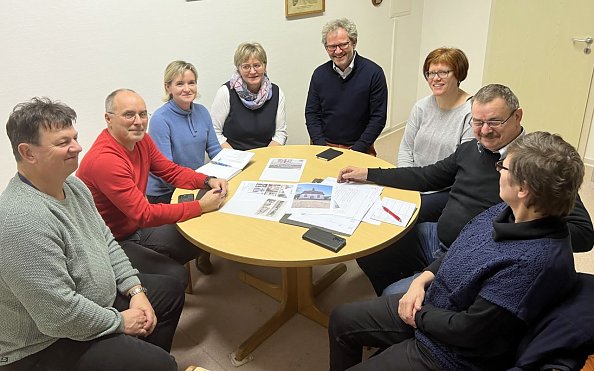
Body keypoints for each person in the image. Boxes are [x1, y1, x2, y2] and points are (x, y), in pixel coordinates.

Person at [329, 131, 583, 370]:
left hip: (451, 352)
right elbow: (460, 249)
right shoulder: (505, 211)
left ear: (523, 189)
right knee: (341, 318)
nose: (498, 171)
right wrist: (421, 281)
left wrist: (418, 317)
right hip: (434, 304)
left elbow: (470, 330)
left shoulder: (533, 263)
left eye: (503, 167)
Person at [338, 84, 594, 295]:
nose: (484, 131)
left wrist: (516, 225)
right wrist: (369, 174)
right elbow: (426, 176)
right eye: (477, 121)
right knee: (370, 251)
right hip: (438, 236)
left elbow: (583, 234)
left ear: (517, 116)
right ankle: (403, 312)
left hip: (473, 256)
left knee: (395, 293)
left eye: (494, 121)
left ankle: (407, 305)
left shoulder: (537, 159)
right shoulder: (472, 149)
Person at [0, 98, 185, 370]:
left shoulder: (74, 187)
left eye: (74, 138)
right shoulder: (21, 218)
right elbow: (58, 316)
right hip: (46, 342)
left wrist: (135, 289)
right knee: (163, 365)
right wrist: (121, 322)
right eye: (64, 143)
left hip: (93, 303)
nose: (78, 147)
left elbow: (107, 240)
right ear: (28, 153)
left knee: (169, 292)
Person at [77, 89, 228, 288]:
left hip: (134, 227)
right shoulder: (106, 160)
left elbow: (170, 171)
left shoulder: (141, 140)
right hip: (111, 242)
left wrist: (207, 180)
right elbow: (144, 214)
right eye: (129, 115)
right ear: (108, 119)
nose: (139, 121)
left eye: (143, 114)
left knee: (200, 238)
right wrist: (200, 206)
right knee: (175, 277)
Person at [146, 61, 222, 274]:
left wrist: (233, 167)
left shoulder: (202, 112)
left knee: (224, 197)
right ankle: (195, 252)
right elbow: (166, 169)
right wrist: (199, 187)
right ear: (167, 87)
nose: (187, 88)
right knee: (205, 208)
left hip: (195, 181)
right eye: (180, 83)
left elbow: (215, 149)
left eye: (192, 82)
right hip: (165, 190)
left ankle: (203, 252)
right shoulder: (161, 119)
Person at [398, 47, 474, 222]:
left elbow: (461, 166)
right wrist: (406, 180)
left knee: (407, 215)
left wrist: (419, 186)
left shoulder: (471, 112)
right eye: (431, 73)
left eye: (443, 72)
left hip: (445, 189)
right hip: (415, 180)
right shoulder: (421, 107)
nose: (435, 78)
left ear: (458, 74)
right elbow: (406, 148)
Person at [305, 18, 388, 156]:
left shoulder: (374, 73)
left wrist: (356, 151)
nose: (337, 51)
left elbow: (378, 118)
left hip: (360, 147)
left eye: (343, 45)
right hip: (324, 145)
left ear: (354, 43)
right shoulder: (319, 74)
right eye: (332, 46)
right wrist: (322, 147)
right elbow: (312, 114)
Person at [210, 42, 287, 150]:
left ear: (265, 66)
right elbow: (214, 132)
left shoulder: (277, 93)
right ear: (238, 69)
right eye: (246, 66)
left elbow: (280, 134)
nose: (252, 71)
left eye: (257, 65)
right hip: (234, 158)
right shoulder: (226, 92)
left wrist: (264, 157)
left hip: (266, 156)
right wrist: (237, 158)